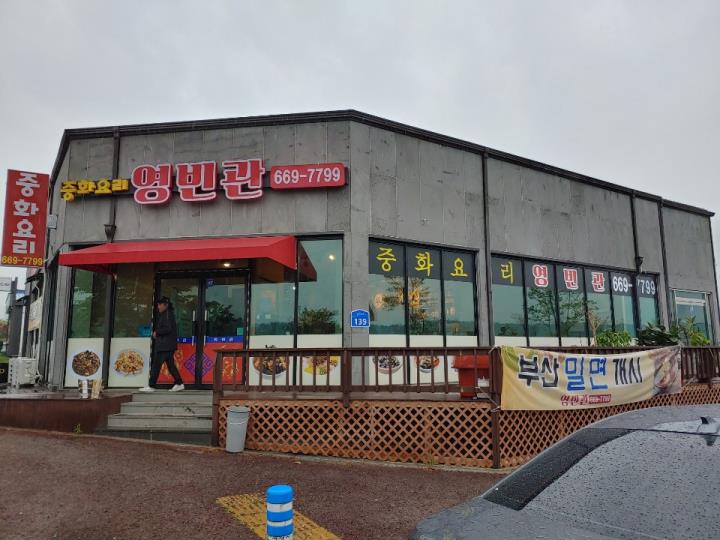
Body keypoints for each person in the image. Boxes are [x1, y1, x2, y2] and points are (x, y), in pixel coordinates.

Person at [140, 296, 184, 392]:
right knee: (170, 365)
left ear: (166, 305)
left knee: (156, 365)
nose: (158, 306)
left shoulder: (167, 314)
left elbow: (168, 328)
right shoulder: (167, 314)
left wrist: (157, 332)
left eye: (160, 305)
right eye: (158, 304)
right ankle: (179, 383)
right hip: (167, 345)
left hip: (165, 345)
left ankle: (151, 386)